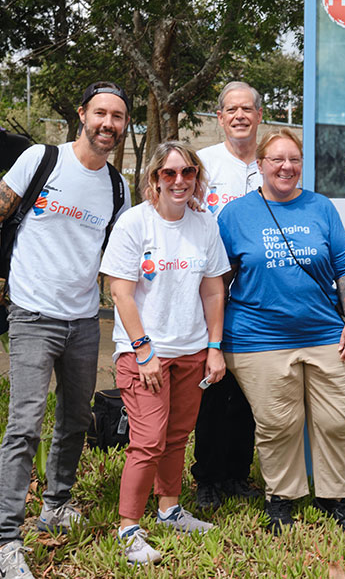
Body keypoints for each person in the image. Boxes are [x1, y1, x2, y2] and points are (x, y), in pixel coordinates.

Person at [0, 82, 132, 579]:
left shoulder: (117, 187)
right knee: (24, 423)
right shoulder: (42, 160)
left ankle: (56, 505)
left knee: (75, 419)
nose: (108, 124)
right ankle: (5, 543)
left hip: (84, 318)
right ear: (82, 113)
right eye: (101, 113)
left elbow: (120, 257)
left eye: (119, 117)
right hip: (32, 315)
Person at [218, 128, 345, 534]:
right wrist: (214, 341)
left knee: (336, 421)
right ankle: (281, 497)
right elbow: (219, 281)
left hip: (325, 335)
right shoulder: (234, 215)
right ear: (261, 165)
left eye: (294, 160)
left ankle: (336, 496)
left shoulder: (321, 208)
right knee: (277, 424)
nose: (286, 167)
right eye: (277, 160)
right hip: (258, 338)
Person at [98, 141, 230, 565]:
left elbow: (212, 289)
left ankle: (170, 509)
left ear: (197, 177)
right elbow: (119, 291)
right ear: (154, 178)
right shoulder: (135, 223)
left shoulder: (204, 224)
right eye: (168, 174)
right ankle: (128, 528)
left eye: (187, 172)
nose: (179, 181)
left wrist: (214, 347)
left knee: (177, 436)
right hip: (145, 354)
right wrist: (143, 350)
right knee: (148, 441)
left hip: (192, 351)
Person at [190, 82, 263, 511]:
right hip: (210, 291)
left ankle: (238, 474)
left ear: (258, 114)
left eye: (247, 109)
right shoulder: (205, 165)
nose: (239, 116)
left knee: (249, 388)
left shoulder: (273, 163)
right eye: (230, 109)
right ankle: (208, 479)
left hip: (256, 294)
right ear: (219, 118)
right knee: (214, 389)